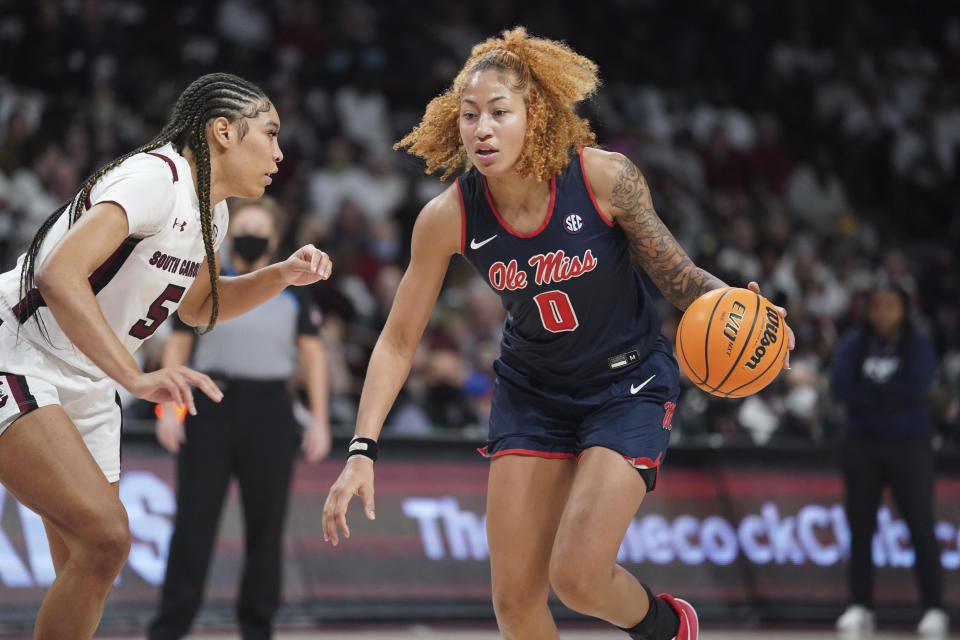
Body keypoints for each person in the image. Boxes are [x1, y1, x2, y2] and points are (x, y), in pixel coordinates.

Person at [322, 28, 793, 640]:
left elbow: (680, 280)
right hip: (533, 391)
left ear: (534, 114)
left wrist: (740, 309)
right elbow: (396, 341)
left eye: (498, 112)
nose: (481, 129)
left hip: (626, 385)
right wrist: (362, 449)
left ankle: (667, 626)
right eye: (469, 116)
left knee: (577, 577)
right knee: (515, 604)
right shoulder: (447, 217)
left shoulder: (603, 178)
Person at [0, 72, 332, 640]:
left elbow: (202, 307)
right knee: (106, 537)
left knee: (93, 559)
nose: (280, 152)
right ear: (222, 131)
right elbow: (59, 274)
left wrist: (280, 276)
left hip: (84, 373)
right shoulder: (156, 178)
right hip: (20, 349)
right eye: (270, 134)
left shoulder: (213, 212)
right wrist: (135, 376)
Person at [149, 197, 331, 640]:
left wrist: (321, 420)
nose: (249, 233)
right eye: (242, 225)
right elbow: (178, 344)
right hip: (208, 404)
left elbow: (312, 354)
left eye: (258, 227)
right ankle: (170, 627)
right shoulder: (207, 282)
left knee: (267, 527)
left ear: (273, 238)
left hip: (270, 409)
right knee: (194, 521)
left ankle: (257, 628)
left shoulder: (294, 289)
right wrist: (168, 410)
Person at [832, 282, 947, 637]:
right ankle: (860, 606)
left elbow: (917, 387)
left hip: (909, 445)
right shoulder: (854, 341)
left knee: (920, 526)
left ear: (904, 309)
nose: (883, 312)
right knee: (861, 527)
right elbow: (839, 386)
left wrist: (871, 395)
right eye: (877, 305)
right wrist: (886, 397)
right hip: (862, 444)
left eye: (890, 305)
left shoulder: (919, 342)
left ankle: (933, 609)